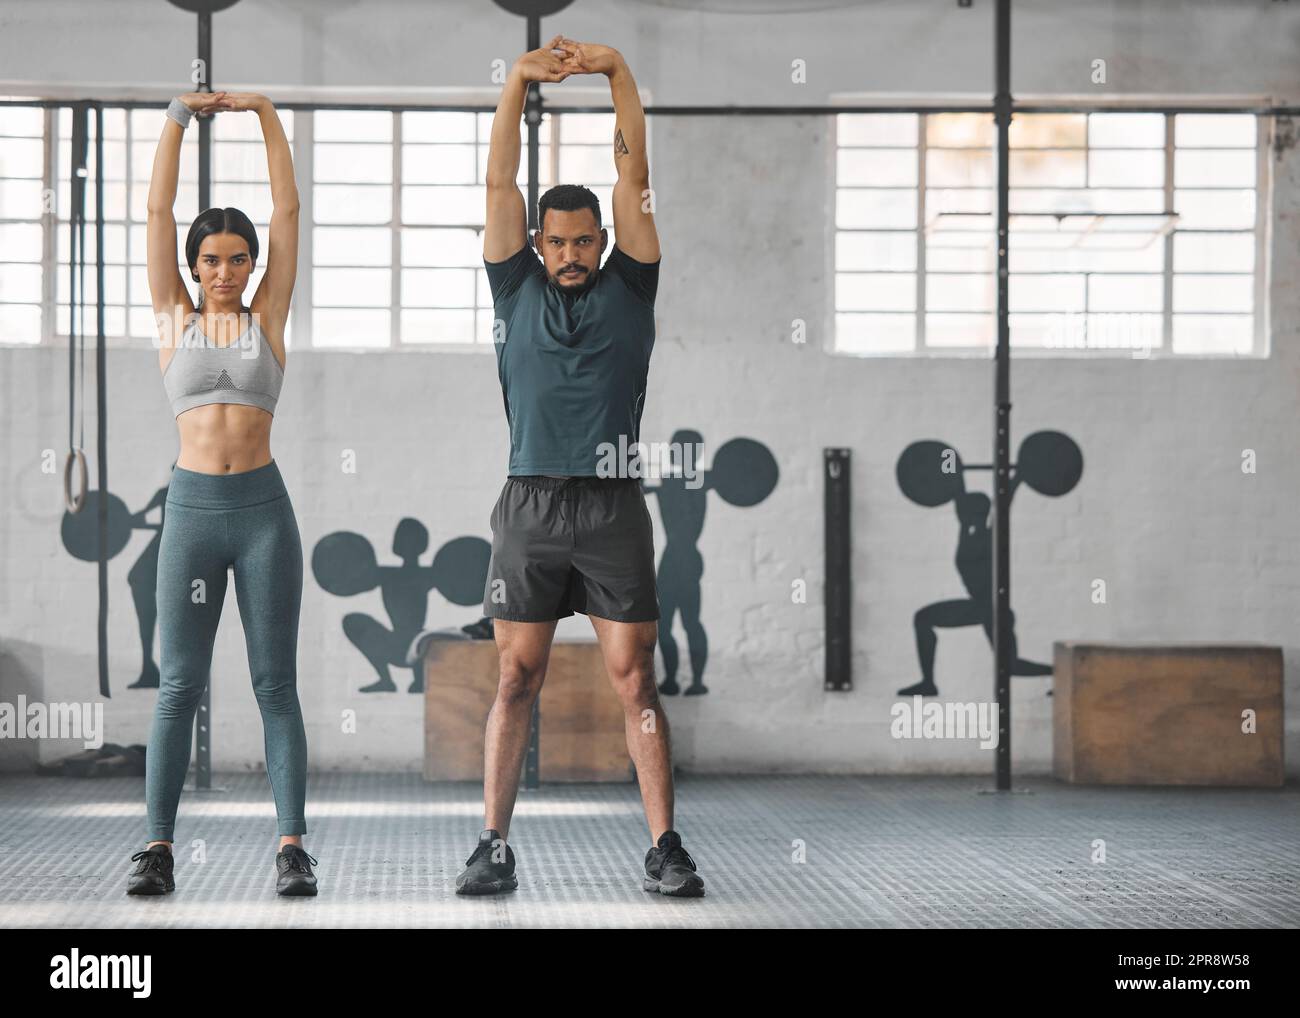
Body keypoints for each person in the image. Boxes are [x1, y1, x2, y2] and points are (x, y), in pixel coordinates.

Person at [457, 38, 704, 897]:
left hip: (610, 506)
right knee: (516, 676)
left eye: (584, 241)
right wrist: (516, 78)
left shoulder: (630, 286)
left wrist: (617, 73)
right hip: (528, 503)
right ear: (537, 241)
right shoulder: (513, 286)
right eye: (556, 241)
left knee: (635, 676)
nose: (571, 253)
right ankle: (492, 845)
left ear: (603, 241)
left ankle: (666, 847)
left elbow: (635, 177)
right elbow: (498, 185)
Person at [127, 90, 317, 897]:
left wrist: (266, 114)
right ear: (193, 266)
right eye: (212, 259)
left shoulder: (268, 314)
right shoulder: (172, 313)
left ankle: (292, 849)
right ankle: (158, 850)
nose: (226, 272)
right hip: (194, 515)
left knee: (275, 684)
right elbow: (159, 207)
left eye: (239, 259)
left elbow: (288, 206)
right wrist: (177, 117)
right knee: (180, 684)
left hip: (263, 516)